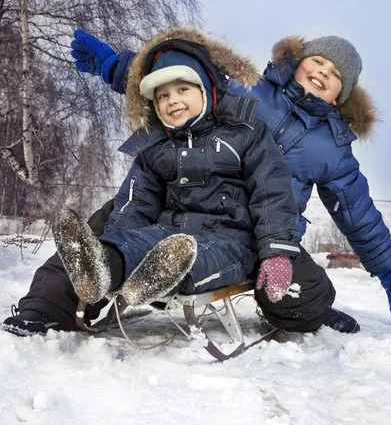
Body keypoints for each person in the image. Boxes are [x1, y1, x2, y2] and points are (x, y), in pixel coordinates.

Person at [35, 29, 306, 324]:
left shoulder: (245, 133)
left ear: (206, 90)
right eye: (162, 95)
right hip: (167, 233)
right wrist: (117, 239)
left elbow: (272, 193)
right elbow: (137, 200)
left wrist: (276, 251)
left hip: (230, 239)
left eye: (182, 90)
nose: (172, 100)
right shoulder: (156, 146)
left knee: (194, 257)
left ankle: (155, 277)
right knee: (135, 242)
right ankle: (101, 266)